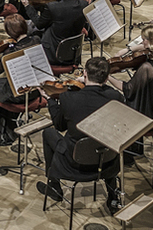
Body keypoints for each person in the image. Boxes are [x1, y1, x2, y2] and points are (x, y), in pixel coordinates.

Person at [38, 56, 124, 214]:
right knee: (103, 141)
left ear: (85, 74)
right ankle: (113, 196)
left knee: (48, 133)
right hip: (107, 161)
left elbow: (59, 125)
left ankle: (54, 187)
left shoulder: (68, 98)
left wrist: (50, 100)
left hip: (74, 163)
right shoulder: (116, 97)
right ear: (106, 77)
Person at [109, 23, 153, 155]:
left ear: (152, 41)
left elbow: (127, 89)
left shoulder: (148, 68)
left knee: (115, 101)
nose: (142, 42)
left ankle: (127, 150)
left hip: (149, 116)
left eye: (144, 39)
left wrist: (108, 77)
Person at [0, 15, 42, 145]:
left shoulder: (11, 52)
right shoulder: (36, 40)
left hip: (19, 93)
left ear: (10, 32)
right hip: (35, 88)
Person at [30, 0, 86, 65]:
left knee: (31, 31)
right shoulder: (84, 4)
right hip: (72, 52)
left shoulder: (53, 7)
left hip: (54, 52)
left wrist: (28, 7)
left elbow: (39, 25)